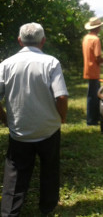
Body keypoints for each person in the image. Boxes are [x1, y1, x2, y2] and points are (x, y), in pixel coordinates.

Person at [0, 22, 68, 216]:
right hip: (48, 130)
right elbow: (61, 96)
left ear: (19, 41)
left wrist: (5, 119)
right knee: (49, 168)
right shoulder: (51, 63)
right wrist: (61, 117)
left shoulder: (5, 64)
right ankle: (47, 208)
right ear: (43, 41)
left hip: (19, 131)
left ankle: (9, 212)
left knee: (15, 173)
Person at [82, 17, 103, 128]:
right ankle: (91, 120)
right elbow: (97, 57)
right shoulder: (96, 39)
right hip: (93, 71)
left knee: (92, 95)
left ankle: (95, 117)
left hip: (88, 69)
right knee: (93, 96)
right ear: (97, 28)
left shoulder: (86, 38)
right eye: (100, 26)